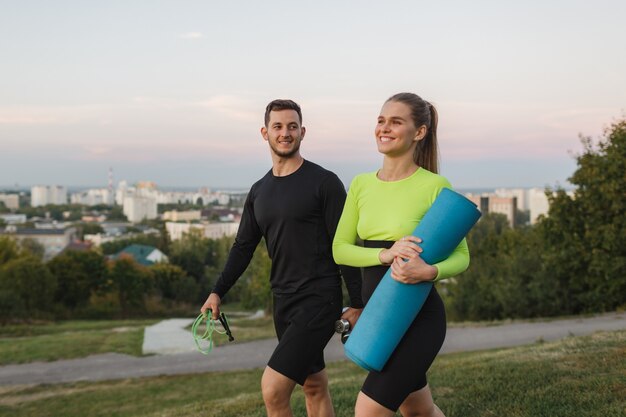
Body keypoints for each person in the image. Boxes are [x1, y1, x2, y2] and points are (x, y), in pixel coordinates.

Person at [201, 99, 363, 417]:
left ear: (302, 132)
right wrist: (217, 290)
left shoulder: (324, 183)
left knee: (273, 389)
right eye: (278, 126)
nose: (285, 133)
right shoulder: (259, 191)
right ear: (265, 133)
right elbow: (243, 246)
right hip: (283, 301)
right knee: (314, 385)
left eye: (292, 126)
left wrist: (358, 301)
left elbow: (345, 245)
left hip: (318, 299)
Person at [332, 92, 470, 417]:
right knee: (419, 410)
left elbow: (462, 256)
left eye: (396, 121)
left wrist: (429, 272)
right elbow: (340, 249)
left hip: (419, 319)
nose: (385, 128)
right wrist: (385, 254)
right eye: (381, 120)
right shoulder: (361, 184)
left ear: (419, 132)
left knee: (368, 411)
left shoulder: (435, 185)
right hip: (381, 320)